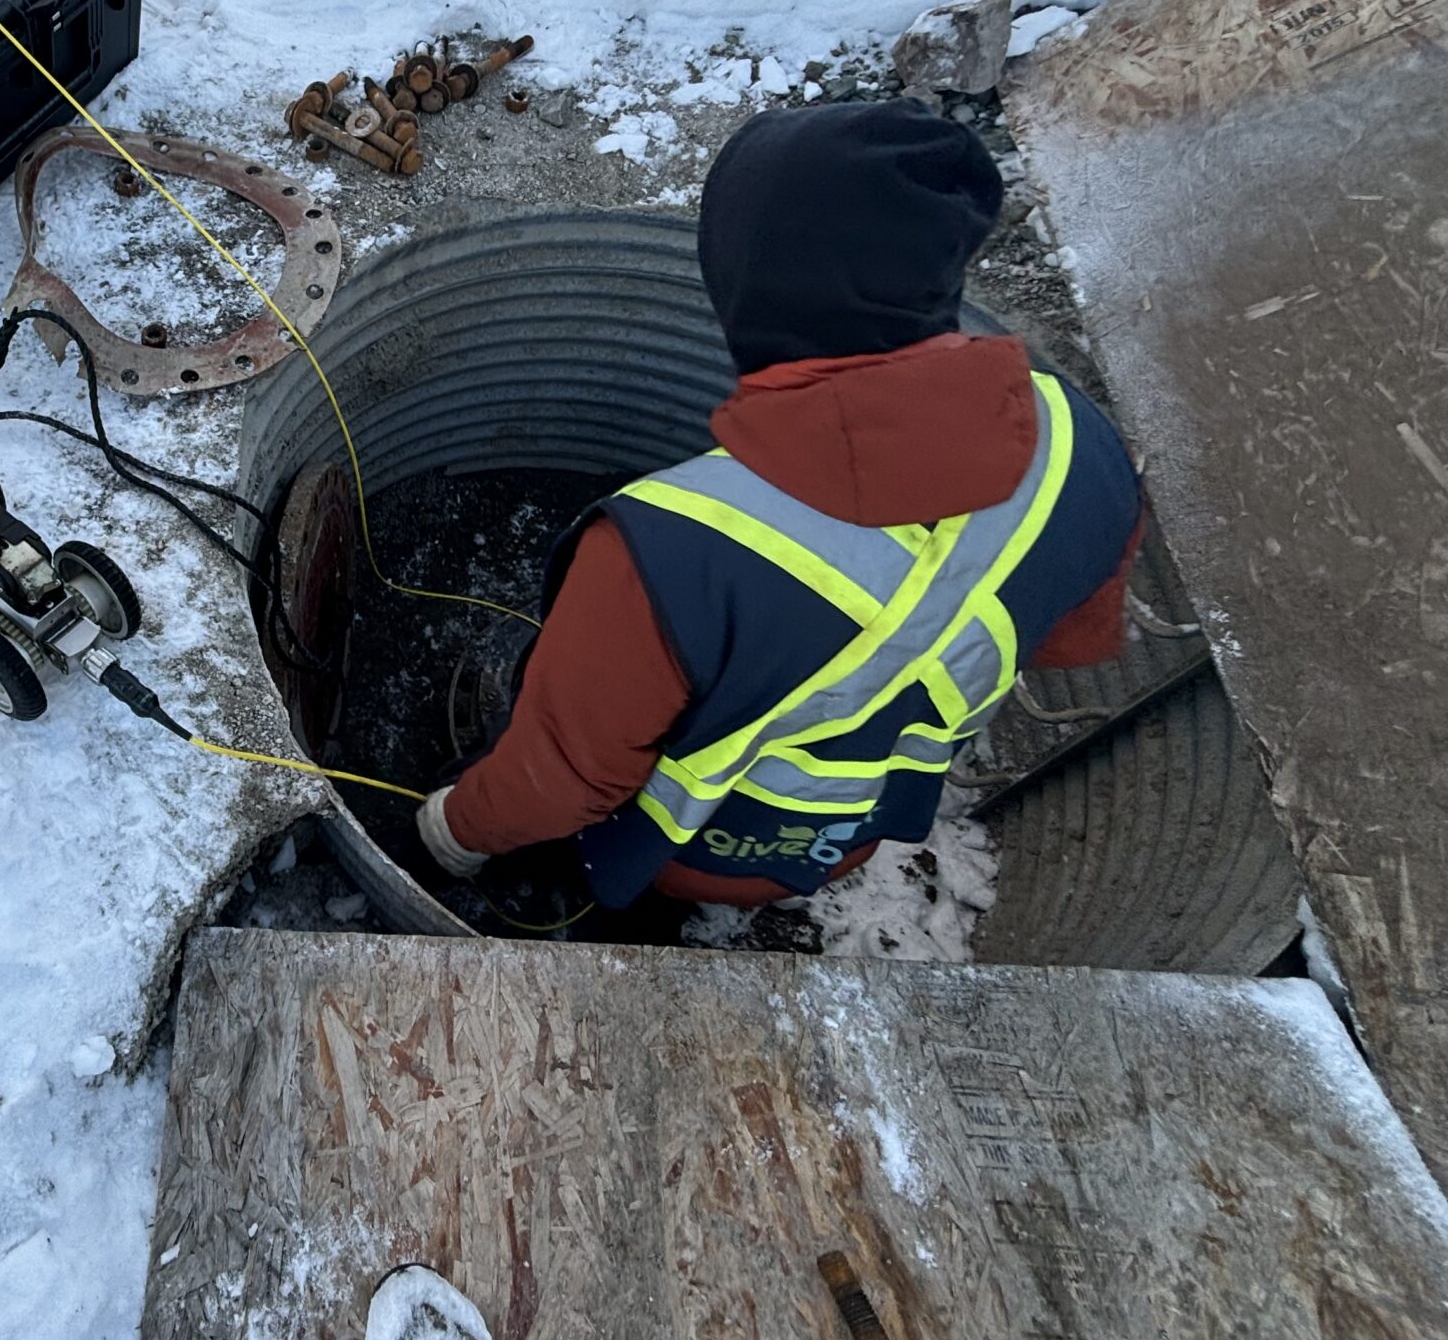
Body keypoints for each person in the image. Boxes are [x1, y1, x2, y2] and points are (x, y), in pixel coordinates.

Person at [415, 99, 1142, 914]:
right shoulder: (1083, 444)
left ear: (747, 283)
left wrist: (450, 831)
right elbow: (1067, 639)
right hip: (852, 835)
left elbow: (562, 785)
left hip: (685, 848)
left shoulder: (669, 551)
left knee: (556, 756)